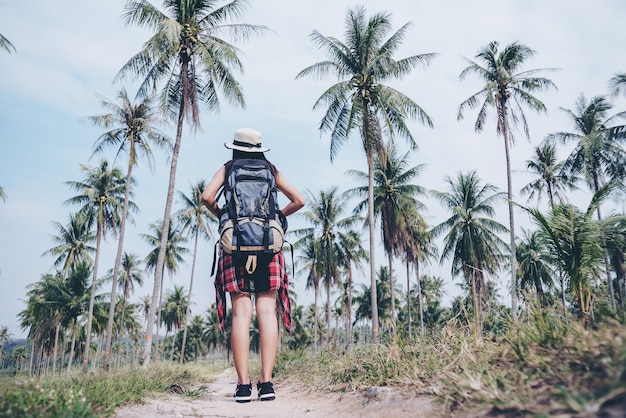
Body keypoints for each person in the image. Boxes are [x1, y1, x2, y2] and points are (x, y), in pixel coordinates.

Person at [201, 128, 305, 403]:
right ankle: (267, 384)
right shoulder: (271, 170)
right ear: (259, 148)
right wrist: (276, 218)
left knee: (241, 314)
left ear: (235, 147)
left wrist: (225, 216)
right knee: (267, 313)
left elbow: (206, 197)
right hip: (268, 246)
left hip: (235, 244)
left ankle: (243, 386)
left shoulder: (228, 168)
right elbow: (299, 200)